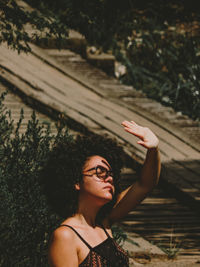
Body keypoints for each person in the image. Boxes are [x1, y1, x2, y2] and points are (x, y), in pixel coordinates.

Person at [44, 120, 161, 267]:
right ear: (76, 181)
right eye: (100, 172)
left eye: (111, 173)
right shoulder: (66, 236)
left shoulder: (103, 221)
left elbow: (145, 184)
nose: (109, 178)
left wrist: (153, 149)